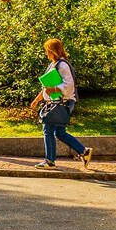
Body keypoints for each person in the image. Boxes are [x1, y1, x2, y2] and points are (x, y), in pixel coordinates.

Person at [29, 39, 93, 170]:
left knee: (47, 130)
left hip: (62, 102)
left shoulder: (62, 65)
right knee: (59, 132)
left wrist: (54, 90)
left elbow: (69, 85)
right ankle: (84, 151)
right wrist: (37, 100)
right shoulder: (53, 65)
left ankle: (50, 161)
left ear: (53, 51)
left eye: (47, 50)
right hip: (56, 102)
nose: (46, 53)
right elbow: (46, 87)